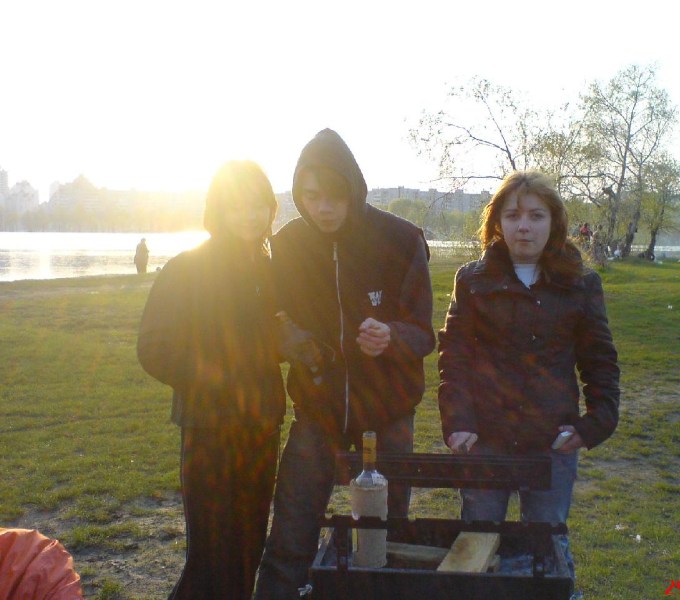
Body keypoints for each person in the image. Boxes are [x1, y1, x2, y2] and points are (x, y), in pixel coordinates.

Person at [255, 129, 435, 600]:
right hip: (317, 410)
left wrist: (392, 336)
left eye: (335, 196)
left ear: (354, 190)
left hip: (389, 412)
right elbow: (272, 317)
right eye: (311, 196)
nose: (323, 208)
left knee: (385, 536)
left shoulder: (401, 239)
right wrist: (287, 337)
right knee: (291, 531)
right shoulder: (287, 245)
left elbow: (423, 331)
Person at [438, 170, 620, 581]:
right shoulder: (472, 281)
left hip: (552, 440)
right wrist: (458, 420)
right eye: (513, 215)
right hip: (485, 439)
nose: (524, 226)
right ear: (497, 222)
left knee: (547, 547)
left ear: (554, 221)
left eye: (536, 216)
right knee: (478, 542)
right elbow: (455, 356)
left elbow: (599, 360)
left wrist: (595, 423)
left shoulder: (581, 283)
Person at [137, 160, 284, 600]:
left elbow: (269, 339)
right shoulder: (188, 268)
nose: (249, 216)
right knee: (210, 556)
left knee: (249, 548)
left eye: (258, 205)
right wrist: (220, 380)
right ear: (218, 209)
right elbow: (155, 348)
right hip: (209, 429)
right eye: (237, 205)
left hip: (261, 427)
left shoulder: (269, 270)